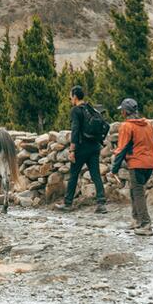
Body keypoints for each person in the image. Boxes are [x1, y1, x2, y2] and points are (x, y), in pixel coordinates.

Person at [110, 97, 153, 236]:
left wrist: (114, 169)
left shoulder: (127, 127)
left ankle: (146, 224)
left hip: (136, 163)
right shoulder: (148, 125)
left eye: (122, 110)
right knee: (135, 191)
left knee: (138, 193)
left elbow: (122, 149)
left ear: (125, 112)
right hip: (149, 164)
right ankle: (137, 220)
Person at [57, 85, 108, 213]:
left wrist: (72, 150)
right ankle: (101, 203)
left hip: (81, 148)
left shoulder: (76, 110)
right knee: (96, 174)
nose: (70, 99)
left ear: (74, 96)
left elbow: (75, 131)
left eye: (70, 97)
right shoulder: (91, 109)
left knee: (74, 175)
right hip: (95, 147)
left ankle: (68, 203)